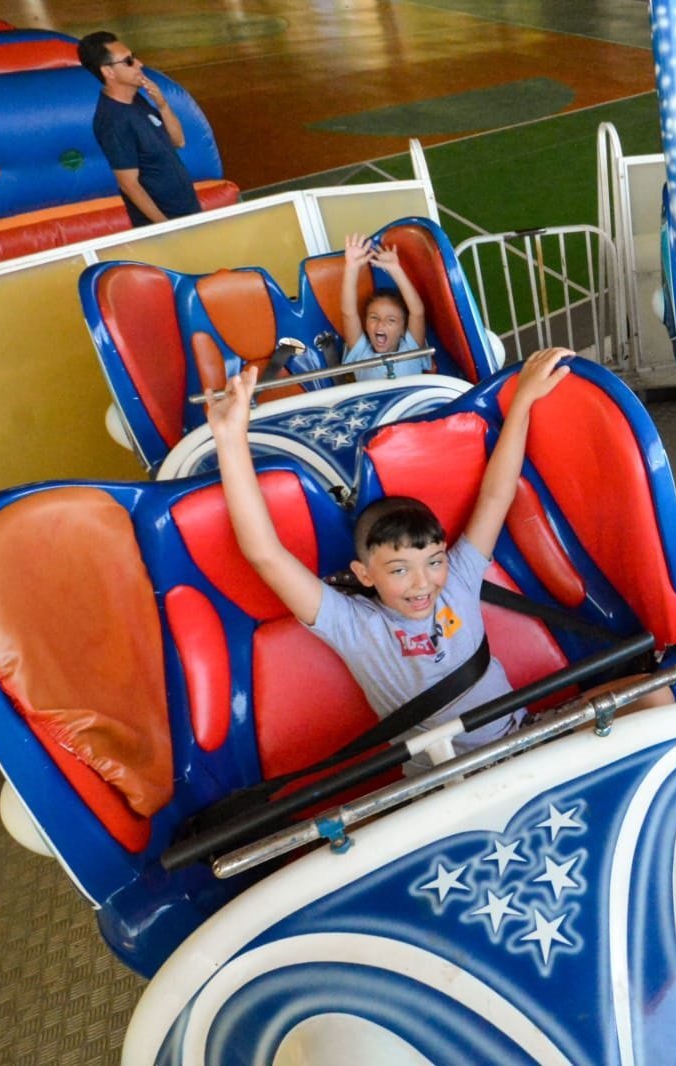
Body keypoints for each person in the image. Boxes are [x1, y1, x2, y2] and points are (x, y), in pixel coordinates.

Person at [205, 348, 572, 771]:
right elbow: (264, 553)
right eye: (399, 570)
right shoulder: (353, 624)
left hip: (522, 738)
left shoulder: (459, 579)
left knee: (650, 695)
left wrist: (522, 400)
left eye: (434, 561)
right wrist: (231, 440)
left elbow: (497, 493)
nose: (423, 583)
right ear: (364, 574)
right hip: (444, 781)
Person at [77, 32, 202, 227]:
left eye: (133, 57)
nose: (139, 64)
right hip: (166, 225)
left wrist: (163, 105)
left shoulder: (137, 100)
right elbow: (129, 184)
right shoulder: (112, 121)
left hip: (187, 210)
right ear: (108, 72)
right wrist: (164, 226)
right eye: (129, 62)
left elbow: (178, 141)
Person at [339, 232, 433, 380]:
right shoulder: (361, 353)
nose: (381, 323)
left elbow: (417, 312)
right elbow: (348, 313)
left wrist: (396, 270)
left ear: (403, 329)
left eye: (391, 320)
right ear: (365, 325)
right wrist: (351, 267)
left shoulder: (411, 349)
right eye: (374, 317)